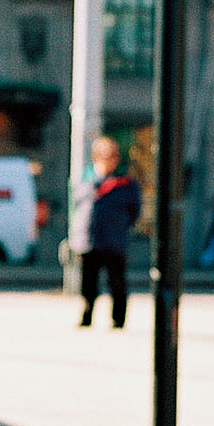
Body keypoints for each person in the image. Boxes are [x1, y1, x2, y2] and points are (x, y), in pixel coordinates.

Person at [76, 136, 141, 329]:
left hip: (114, 240)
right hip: (89, 240)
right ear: (96, 157)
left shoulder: (125, 182)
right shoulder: (86, 178)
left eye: (113, 155)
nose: (111, 159)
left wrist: (120, 226)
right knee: (88, 283)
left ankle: (118, 319)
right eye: (106, 155)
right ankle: (87, 316)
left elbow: (134, 211)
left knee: (117, 282)